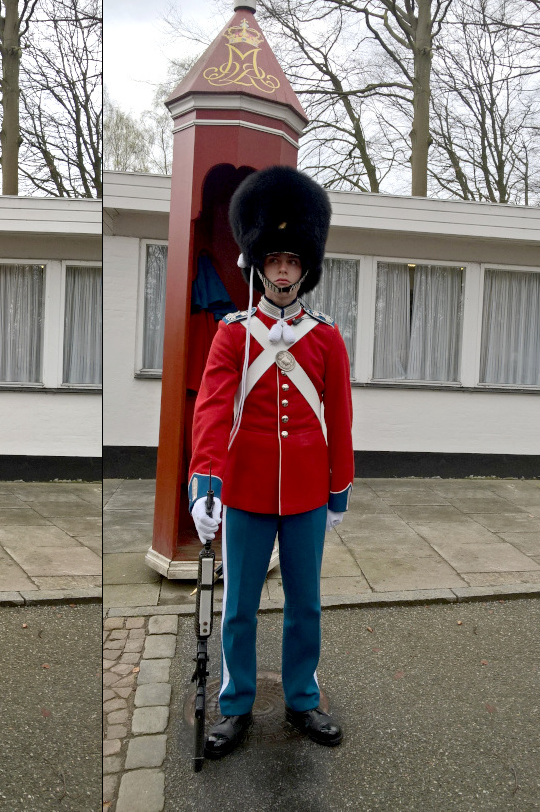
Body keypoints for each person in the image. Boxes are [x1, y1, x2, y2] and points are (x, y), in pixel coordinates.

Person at [188, 165, 354, 759]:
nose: (283, 272)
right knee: (239, 606)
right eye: (275, 260)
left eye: (292, 261)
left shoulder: (326, 338)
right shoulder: (233, 335)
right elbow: (210, 412)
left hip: (308, 491)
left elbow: (339, 419)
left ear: (305, 267)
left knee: (305, 602)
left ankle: (302, 698)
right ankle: (236, 703)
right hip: (248, 489)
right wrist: (205, 485)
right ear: (259, 265)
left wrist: (338, 492)